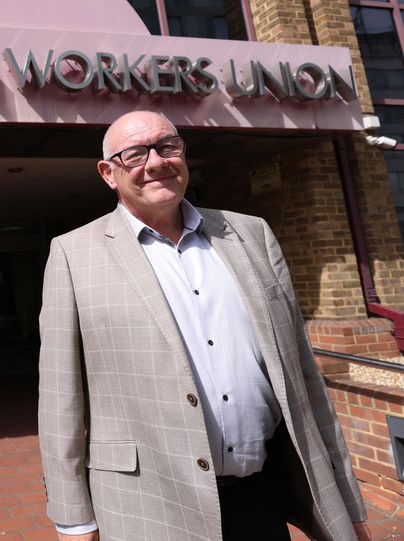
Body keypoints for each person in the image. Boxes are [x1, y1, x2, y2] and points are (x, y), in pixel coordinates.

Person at [38, 111, 371, 541]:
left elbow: (303, 377)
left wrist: (346, 499)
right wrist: (74, 519)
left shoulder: (251, 234)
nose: (156, 162)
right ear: (108, 173)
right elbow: (60, 399)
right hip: (149, 505)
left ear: (183, 153)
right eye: (135, 153)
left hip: (261, 495)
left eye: (167, 146)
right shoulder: (72, 254)